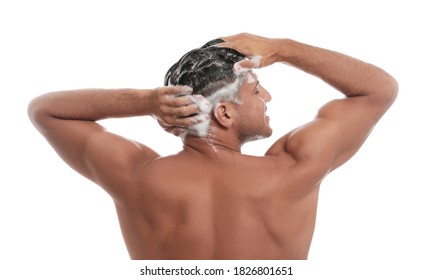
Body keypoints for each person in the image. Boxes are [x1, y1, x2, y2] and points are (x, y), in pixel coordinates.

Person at [28, 33, 398, 260]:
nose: (267, 96)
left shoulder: (138, 177)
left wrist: (146, 102)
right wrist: (282, 49)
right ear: (223, 112)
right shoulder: (292, 170)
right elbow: (378, 89)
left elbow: (46, 111)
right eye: (256, 90)